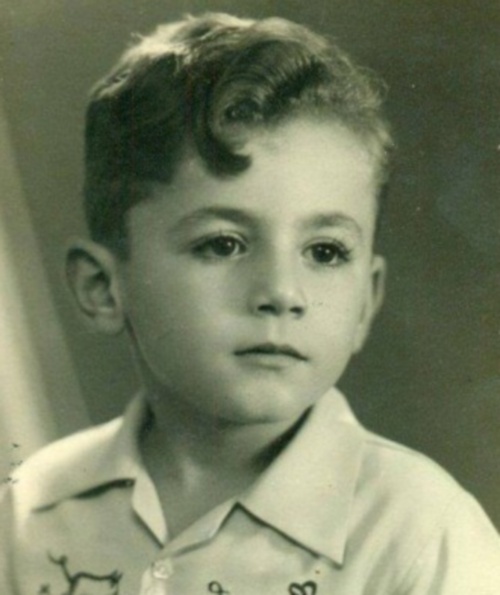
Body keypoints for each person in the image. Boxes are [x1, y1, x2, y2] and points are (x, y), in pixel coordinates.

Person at [1, 12, 499, 595]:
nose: (282, 293)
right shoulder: (29, 510)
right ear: (101, 288)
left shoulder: (421, 535)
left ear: (367, 299)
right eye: (223, 244)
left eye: (325, 251)